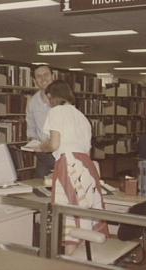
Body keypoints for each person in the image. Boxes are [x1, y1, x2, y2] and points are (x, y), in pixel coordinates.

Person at [34, 80, 108, 253]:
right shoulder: (82, 117)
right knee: (83, 210)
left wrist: (39, 147)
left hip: (68, 163)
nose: (47, 102)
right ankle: (81, 256)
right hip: (86, 165)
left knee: (68, 214)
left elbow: (54, 144)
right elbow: (86, 150)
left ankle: (69, 258)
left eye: (47, 98)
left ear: (52, 97)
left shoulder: (56, 112)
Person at [26, 64, 55, 178]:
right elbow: (31, 125)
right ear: (34, 81)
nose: (43, 79)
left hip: (60, 151)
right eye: (39, 76)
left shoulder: (62, 99)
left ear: (53, 76)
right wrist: (32, 141)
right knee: (40, 187)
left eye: (46, 75)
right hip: (42, 152)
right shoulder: (32, 102)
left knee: (60, 187)